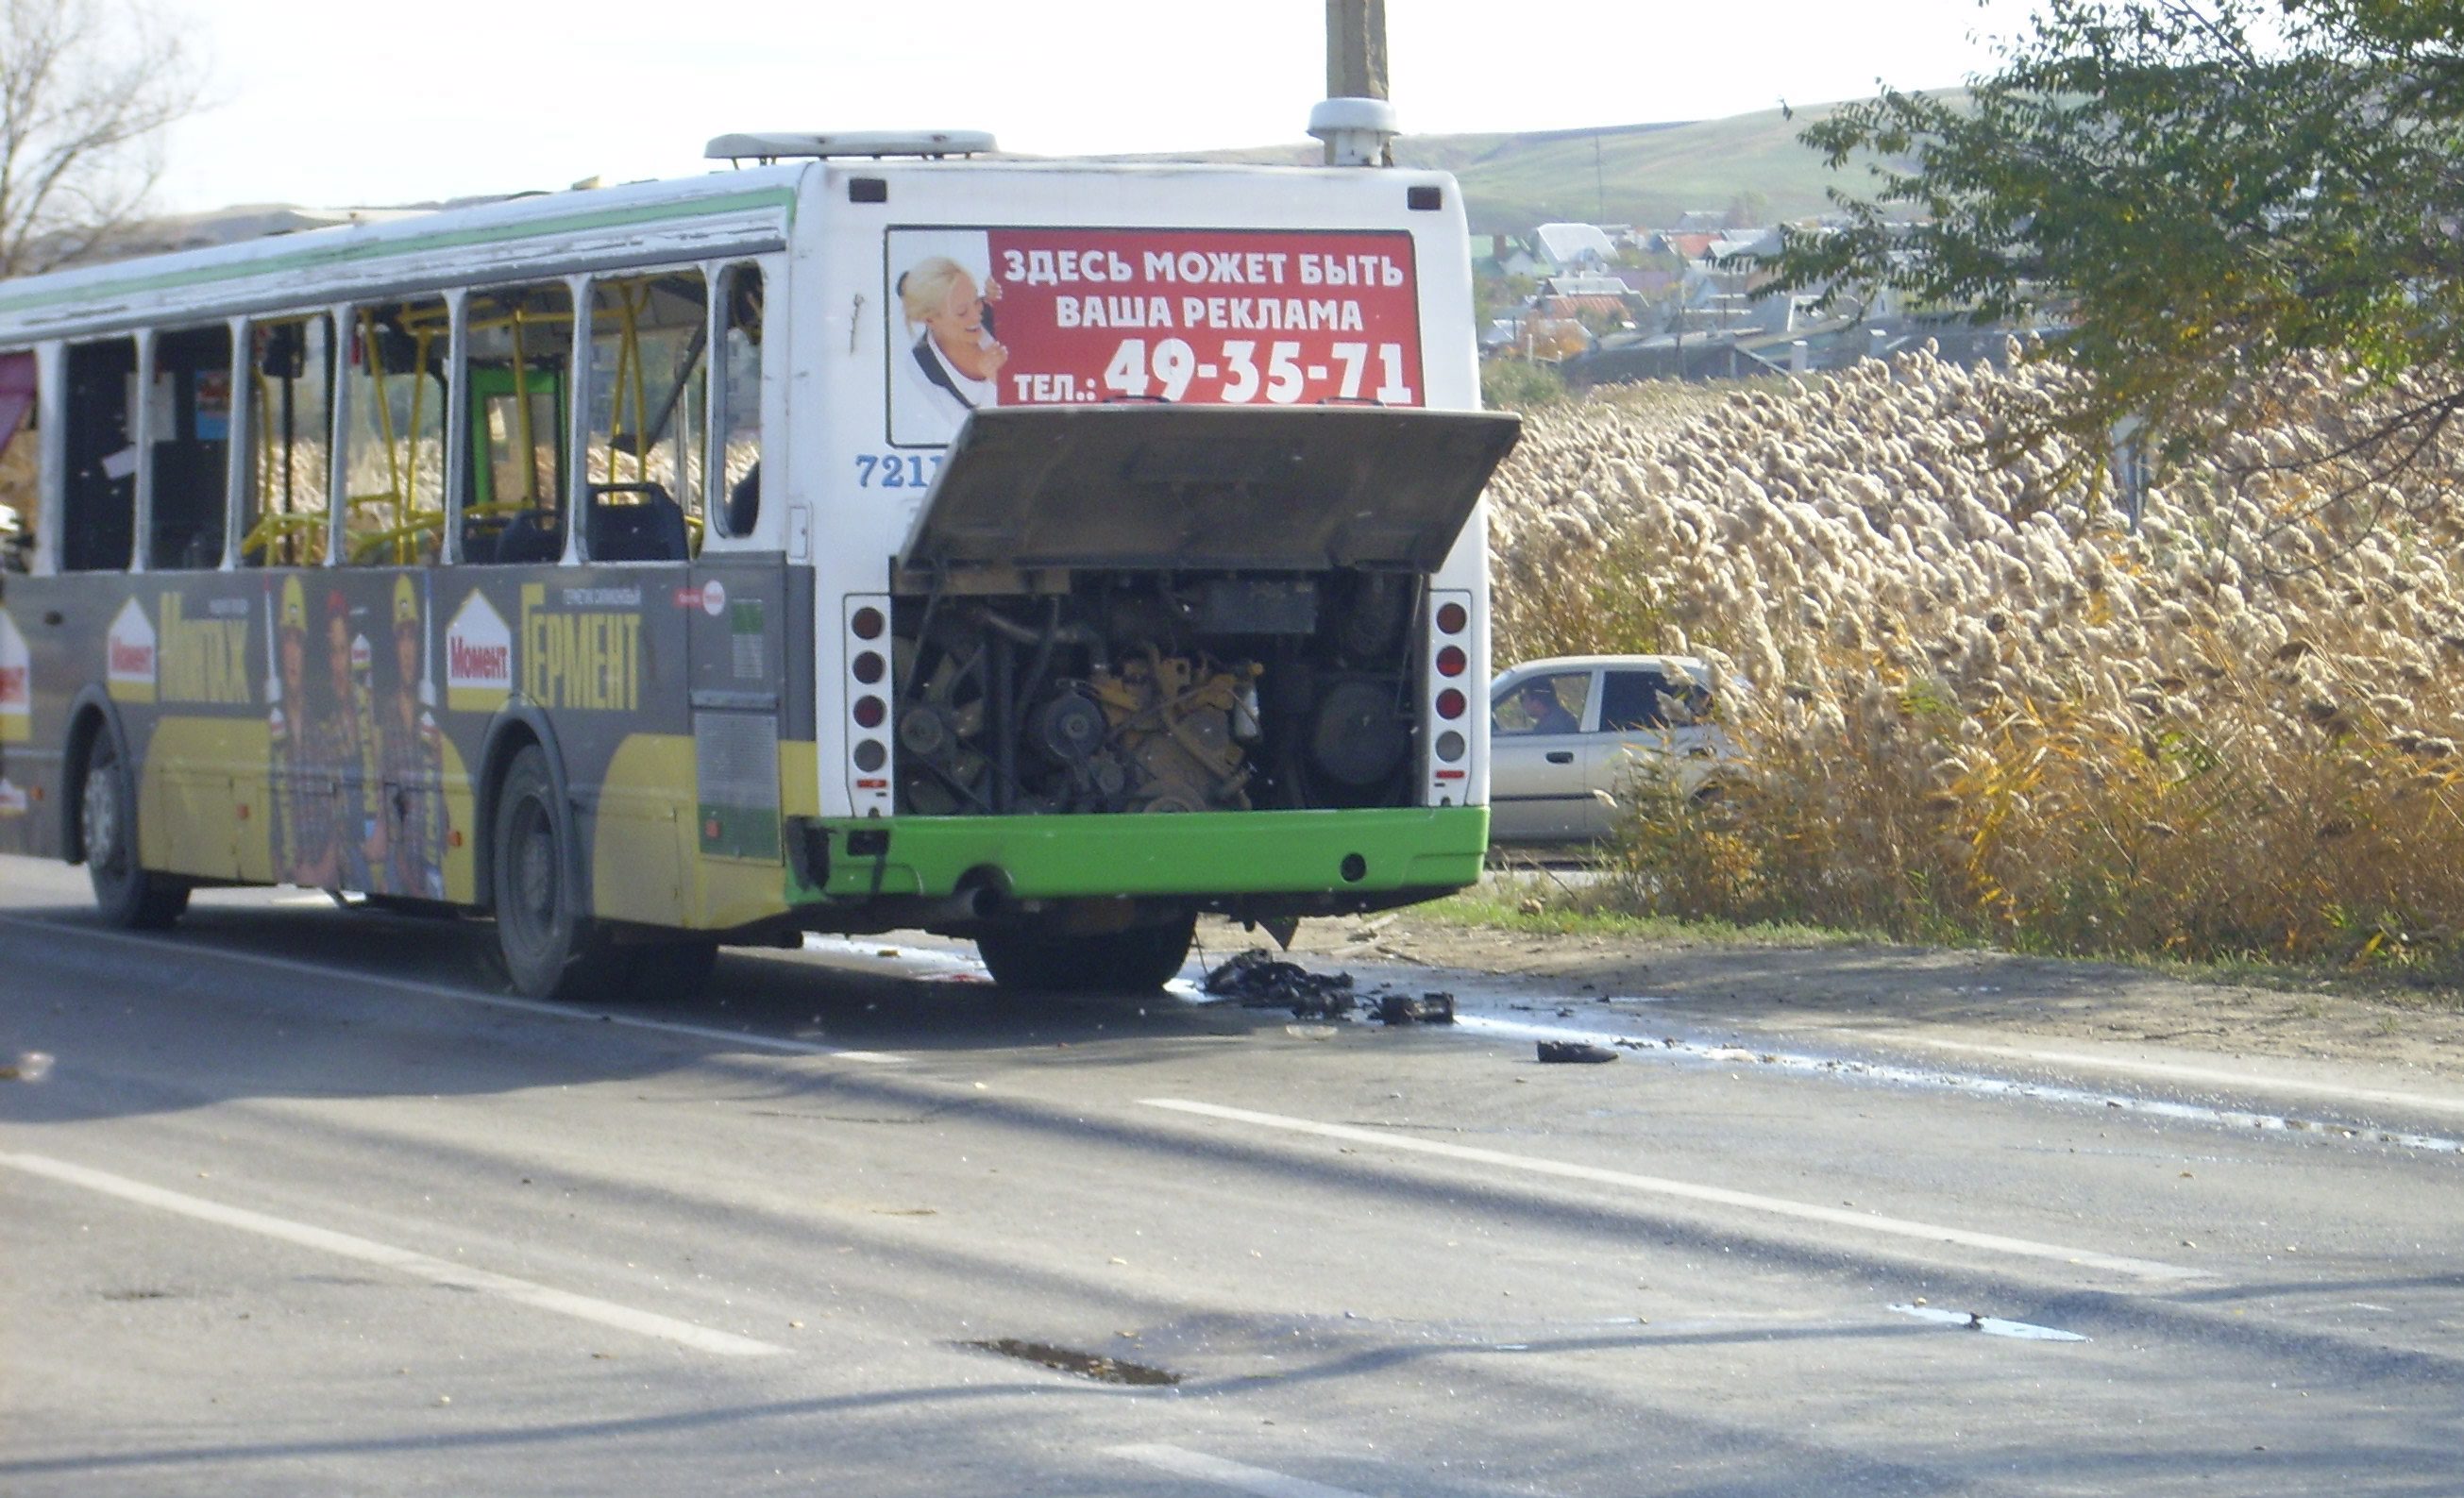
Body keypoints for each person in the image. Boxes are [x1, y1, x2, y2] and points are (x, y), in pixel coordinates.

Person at [895, 256, 1004, 435]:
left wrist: (1010, 291)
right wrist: (996, 385)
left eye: (976, 300)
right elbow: (967, 432)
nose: (977, 316)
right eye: (962, 312)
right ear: (930, 319)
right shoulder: (922, 363)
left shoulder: (996, 312)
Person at [1513, 678, 1578, 735]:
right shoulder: (1561, 718)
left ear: (1536, 703)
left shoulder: (1551, 729)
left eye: (1523, 699)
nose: (1523, 704)